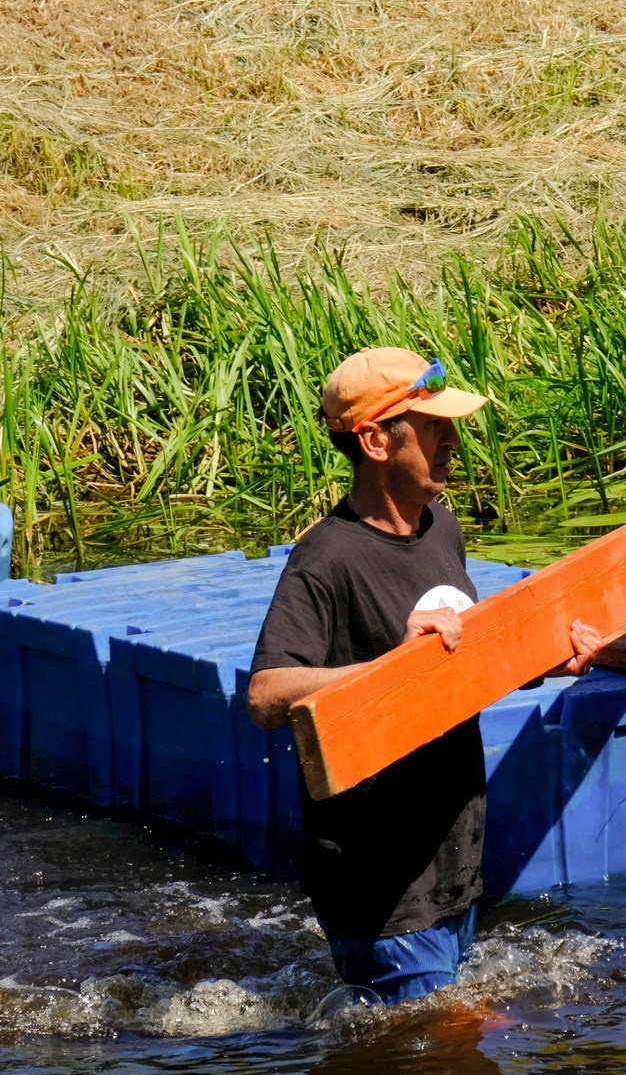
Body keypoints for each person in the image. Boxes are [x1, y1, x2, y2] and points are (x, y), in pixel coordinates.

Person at [247, 348, 603, 1003]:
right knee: (438, 1058)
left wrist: (546, 660)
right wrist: (389, 668)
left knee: (455, 1060)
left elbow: (461, 665)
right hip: (381, 882)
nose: (453, 440)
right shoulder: (327, 558)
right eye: (433, 425)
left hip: (452, 864)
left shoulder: (442, 529)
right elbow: (266, 695)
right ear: (376, 440)